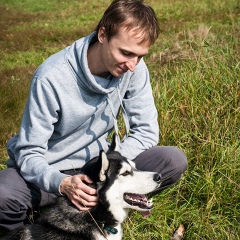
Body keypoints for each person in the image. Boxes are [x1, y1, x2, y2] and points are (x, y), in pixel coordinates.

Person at [0, 0, 187, 231]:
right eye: (126, 52)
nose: (132, 65)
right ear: (102, 35)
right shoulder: (51, 77)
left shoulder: (134, 67)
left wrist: (109, 169)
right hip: (52, 173)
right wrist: (63, 183)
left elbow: (146, 131)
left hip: (101, 167)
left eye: (140, 56)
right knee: (3, 193)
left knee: (172, 160)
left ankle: (101, 203)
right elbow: (29, 153)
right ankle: (36, 224)